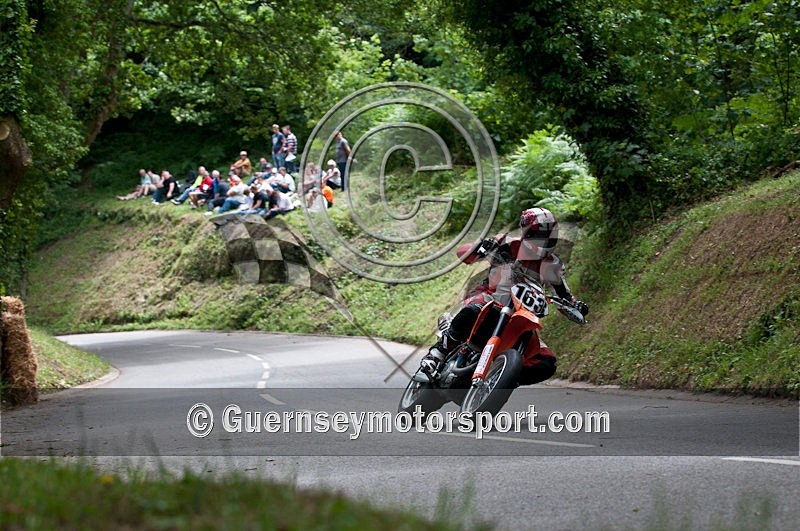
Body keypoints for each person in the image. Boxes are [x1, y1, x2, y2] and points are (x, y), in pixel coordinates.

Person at [419, 207, 589, 386]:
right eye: (539, 234)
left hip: (522, 314)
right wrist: (481, 247)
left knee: (546, 363)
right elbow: (464, 255)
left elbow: (565, 295)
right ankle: (437, 355)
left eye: (549, 234)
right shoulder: (507, 243)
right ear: (526, 232)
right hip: (490, 297)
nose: (544, 239)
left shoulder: (552, 265)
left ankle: (500, 379)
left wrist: (575, 305)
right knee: (472, 310)